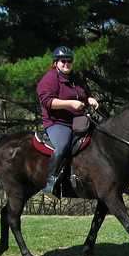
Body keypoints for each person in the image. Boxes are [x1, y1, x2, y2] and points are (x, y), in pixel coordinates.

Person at [36, 46, 99, 195]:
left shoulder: (74, 78)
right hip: (57, 122)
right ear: (56, 62)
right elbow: (47, 101)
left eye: (69, 61)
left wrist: (89, 98)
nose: (66, 64)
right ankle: (50, 180)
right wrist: (70, 103)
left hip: (77, 120)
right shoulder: (49, 79)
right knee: (63, 146)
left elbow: (83, 92)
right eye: (62, 61)